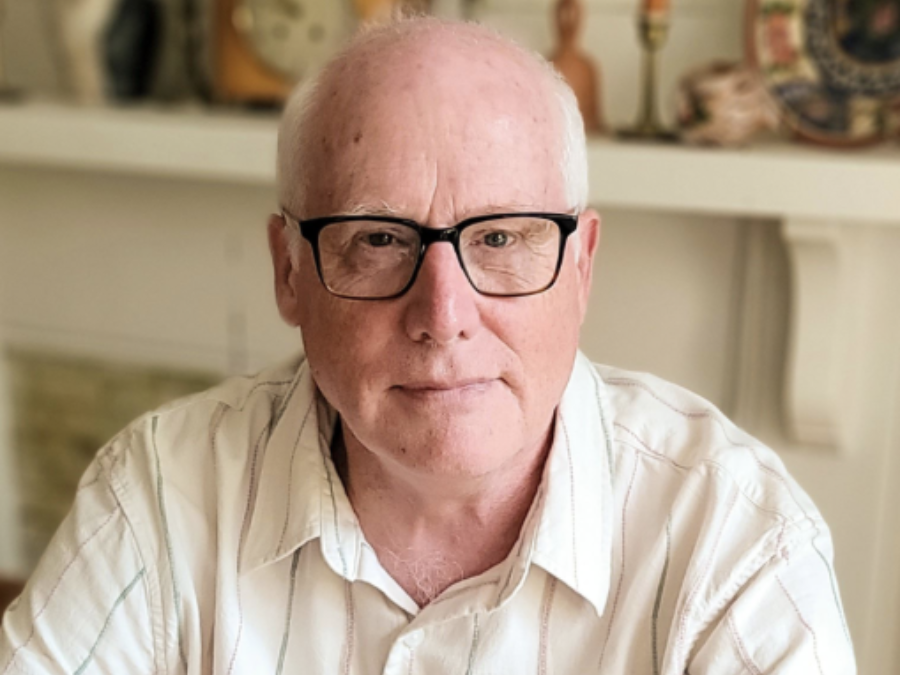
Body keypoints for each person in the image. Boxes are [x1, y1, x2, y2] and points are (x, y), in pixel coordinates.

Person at [0, 16, 856, 674]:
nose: (442, 313)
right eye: (378, 239)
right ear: (289, 271)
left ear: (582, 265)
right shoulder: (158, 492)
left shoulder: (737, 539)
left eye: (501, 239)